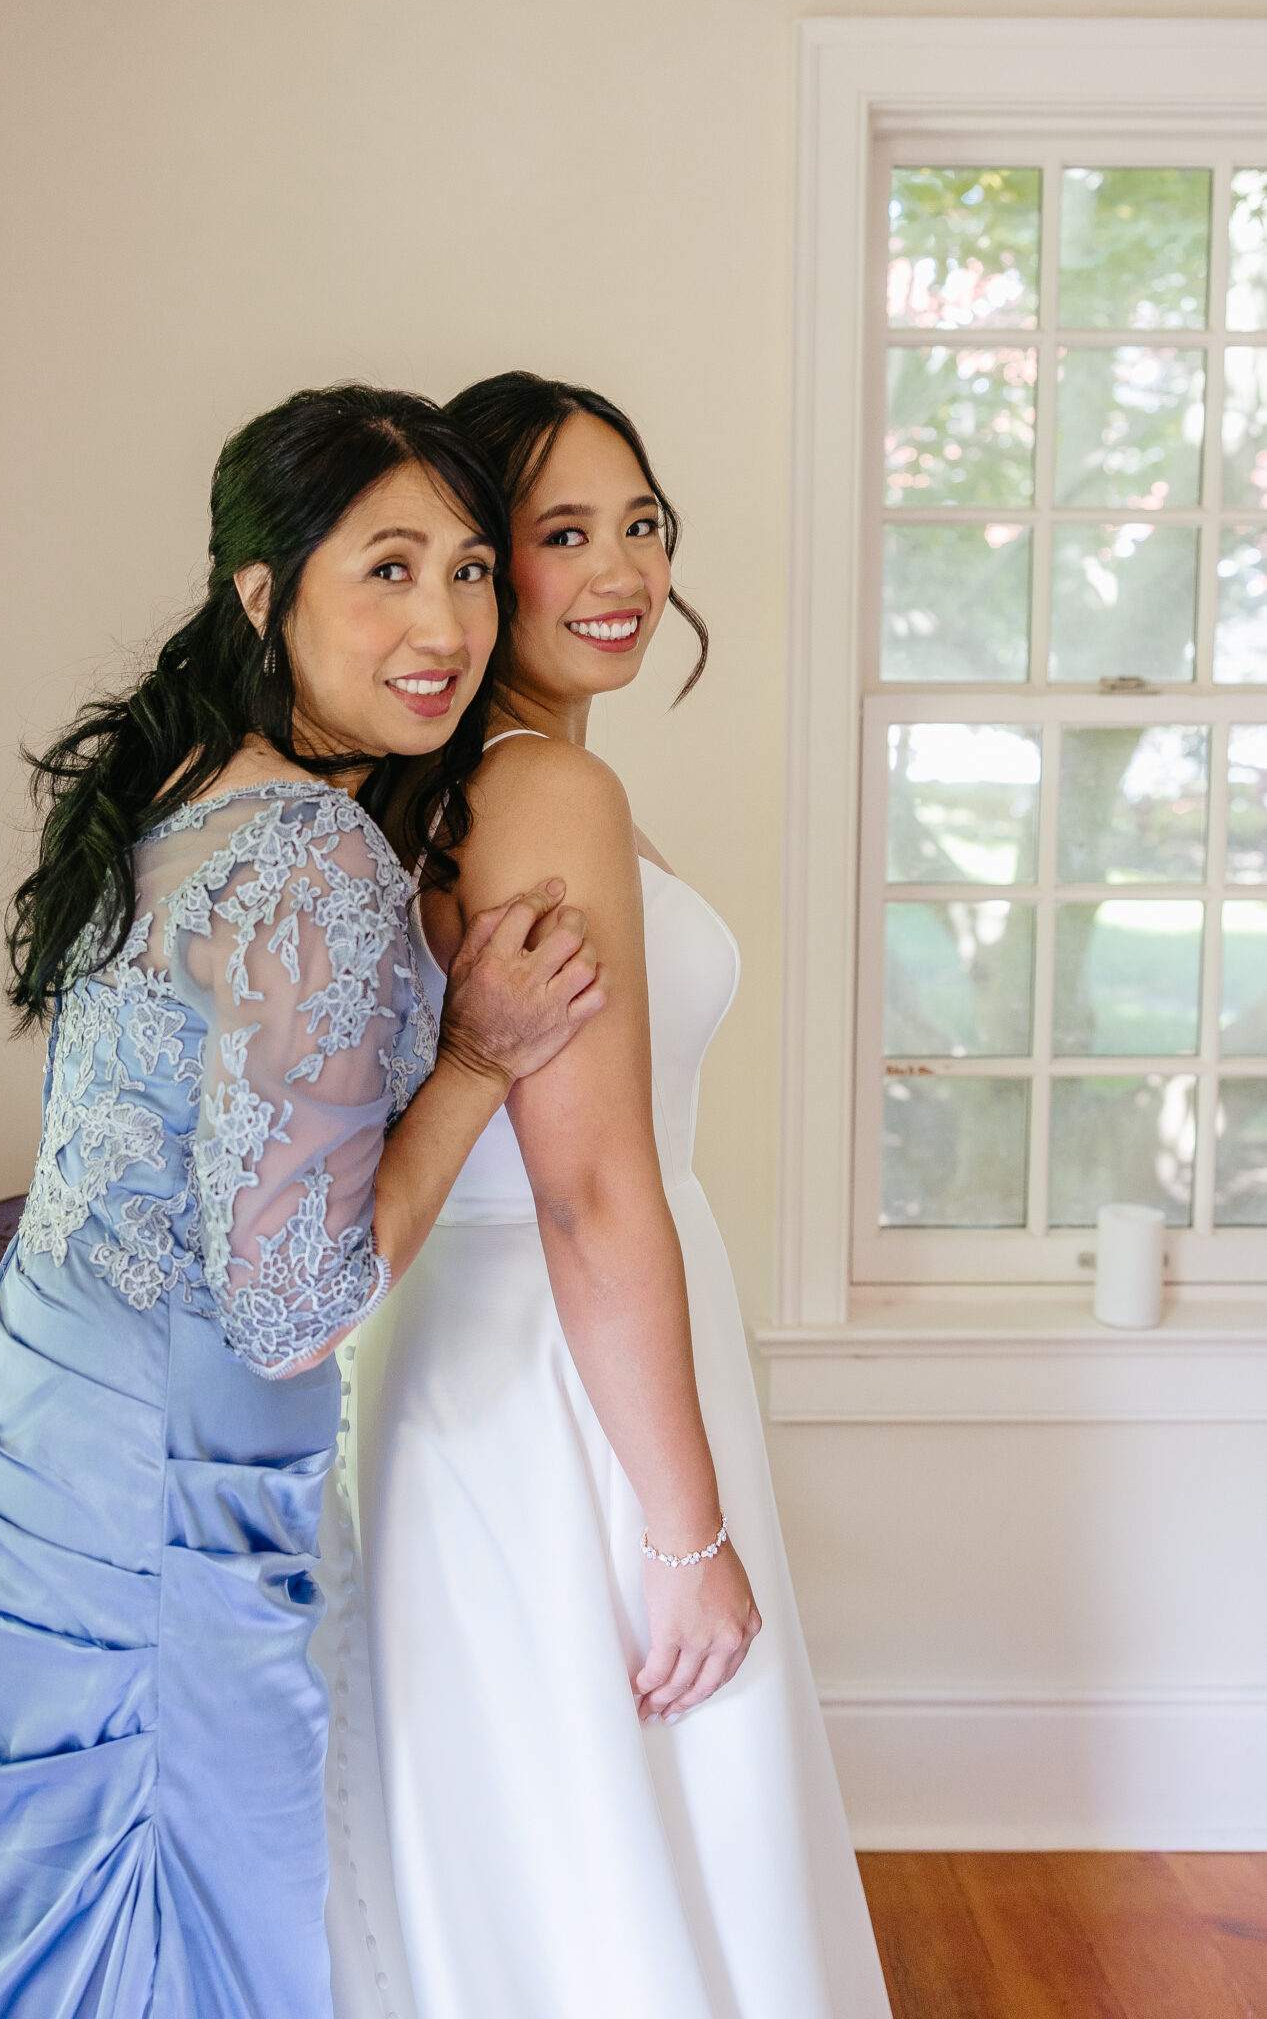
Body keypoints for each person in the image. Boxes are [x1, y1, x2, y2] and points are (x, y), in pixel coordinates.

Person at [0, 384, 607, 2019]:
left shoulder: (184, 787)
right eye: (390, 569)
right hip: (156, 1510)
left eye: (476, 570)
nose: (448, 622)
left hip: (22, 1437)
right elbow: (290, 1308)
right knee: (182, 1959)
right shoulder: (317, 865)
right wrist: (479, 1063)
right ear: (266, 592)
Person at [320, 374, 891, 2019]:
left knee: (546, 1849)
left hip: (518, 1365)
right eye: (562, 533)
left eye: (642, 524)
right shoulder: (544, 791)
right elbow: (583, 1197)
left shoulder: (478, 786)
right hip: (562, 1387)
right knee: (616, 1839)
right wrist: (686, 1527)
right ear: (485, 569)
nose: (625, 569)